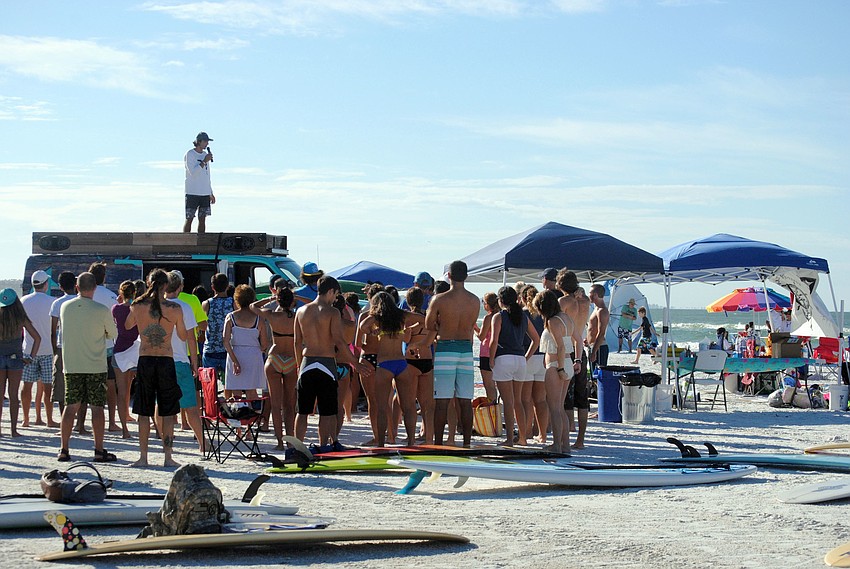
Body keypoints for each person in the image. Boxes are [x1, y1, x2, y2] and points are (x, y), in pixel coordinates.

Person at [294, 276, 370, 445]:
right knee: (327, 412)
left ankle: (297, 446)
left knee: (303, 410)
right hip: (326, 363)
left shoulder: (300, 311)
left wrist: (299, 365)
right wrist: (355, 364)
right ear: (330, 291)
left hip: (307, 362)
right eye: (335, 295)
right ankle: (323, 446)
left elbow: (297, 342)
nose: (335, 299)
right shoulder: (332, 312)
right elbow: (339, 342)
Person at [413, 261, 479, 447]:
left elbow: (428, 324)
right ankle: (466, 442)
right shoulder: (474, 300)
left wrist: (441, 325)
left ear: (449, 276)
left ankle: (440, 443)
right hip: (465, 349)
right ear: (466, 276)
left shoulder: (439, 299)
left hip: (445, 347)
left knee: (442, 400)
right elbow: (471, 323)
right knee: (465, 400)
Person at [125, 269, 188, 467]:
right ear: (165, 286)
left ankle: (143, 457)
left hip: (146, 359)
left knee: (144, 411)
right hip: (165, 360)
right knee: (168, 412)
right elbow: (184, 335)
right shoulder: (174, 308)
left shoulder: (137, 306)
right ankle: (167, 457)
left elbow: (127, 326)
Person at [57, 273, 117, 462]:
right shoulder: (102, 309)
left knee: (71, 406)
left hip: (72, 364)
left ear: (77, 287)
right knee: (97, 407)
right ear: (95, 288)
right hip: (96, 365)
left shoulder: (65, 307)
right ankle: (99, 450)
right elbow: (112, 334)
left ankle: (64, 449)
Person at [489, 286, 540, 447]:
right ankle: (523, 437)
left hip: (504, 358)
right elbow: (536, 340)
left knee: (508, 402)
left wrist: (491, 359)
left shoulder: (499, 317)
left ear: (501, 300)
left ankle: (510, 439)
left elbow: (494, 341)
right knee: (518, 401)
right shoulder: (523, 317)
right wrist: (526, 357)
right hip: (520, 359)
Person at [251, 287, 298, 449]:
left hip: (275, 358)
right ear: (292, 301)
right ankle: (290, 440)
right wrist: (297, 297)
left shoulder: (272, 315)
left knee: (276, 405)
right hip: (292, 359)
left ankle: (279, 442)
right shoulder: (298, 316)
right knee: (290, 405)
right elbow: (314, 303)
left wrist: (272, 299)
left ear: (279, 301)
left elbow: (253, 306)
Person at [164, 271, 204, 454]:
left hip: (161, 360)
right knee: (190, 406)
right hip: (180, 359)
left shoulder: (157, 305)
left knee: (162, 406)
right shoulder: (184, 307)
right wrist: (194, 362)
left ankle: (166, 445)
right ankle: (203, 444)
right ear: (180, 287)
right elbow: (191, 338)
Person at [533, 290, 573, 454]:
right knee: (560, 407)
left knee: (554, 408)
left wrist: (561, 368)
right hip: (566, 363)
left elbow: (560, 346)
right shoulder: (566, 318)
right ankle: (565, 445)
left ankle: (557, 445)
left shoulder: (553, 321)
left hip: (557, 364)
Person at [557, 269, 590, 450]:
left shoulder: (563, 301)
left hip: (566, 349)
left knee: (564, 398)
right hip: (580, 351)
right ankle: (580, 439)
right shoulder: (584, 302)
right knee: (581, 397)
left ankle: (566, 436)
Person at [1, 288, 40, 437]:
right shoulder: (20, 317)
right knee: (13, 396)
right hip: (15, 359)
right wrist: (30, 357)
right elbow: (37, 338)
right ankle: (13, 430)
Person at [21, 270, 57, 428]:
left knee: (27, 385)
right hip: (48, 350)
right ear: (46, 284)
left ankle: (26, 418)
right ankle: (48, 419)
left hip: (28, 349)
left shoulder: (23, 301)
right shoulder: (52, 302)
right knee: (47, 386)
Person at [223, 285, 270, 400]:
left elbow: (225, 341)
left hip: (235, 353)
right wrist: (261, 349)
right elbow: (264, 343)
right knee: (252, 391)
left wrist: (234, 360)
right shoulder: (259, 319)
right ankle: (253, 414)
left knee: (236, 392)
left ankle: (239, 415)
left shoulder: (230, 317)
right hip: (253, 354)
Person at [88, 262, 119, 433]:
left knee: (89, 385)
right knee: (110, 385)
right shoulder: (110, 296)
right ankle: (112, 422)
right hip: (107, 346)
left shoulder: (85, 295)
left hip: (88, 346)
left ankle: (83, 423)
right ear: (104, 277)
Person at [403, 287, 435, 444]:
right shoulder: (427, 317)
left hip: (412, 361)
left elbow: (406, 338)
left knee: (410, 403)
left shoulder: (408, 319)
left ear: (408, 302)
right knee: (427, 404)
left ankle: (411, 439)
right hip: (428, 360)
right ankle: (429, 437)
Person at [111, 280, 140, 438]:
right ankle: (156, 428)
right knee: (143, 390)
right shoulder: (137, 309)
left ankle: (124, 429)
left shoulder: (116, 309)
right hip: (135, 349)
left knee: (122, 392)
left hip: (120, 349)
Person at [49, 271, 77, 414]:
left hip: (62, 346)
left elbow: (53, 331)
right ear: (75, 285)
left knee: (60, 384)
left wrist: (55, 350)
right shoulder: (81, 301)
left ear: (60, 287)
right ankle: (80, 422)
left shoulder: (57, 303)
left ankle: (64, 418)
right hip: (79, 347)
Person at [183, 131, 215, 233]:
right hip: (192, 192)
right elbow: (193, 173)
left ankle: (201, 243)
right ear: (199, 141)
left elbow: (207, 176)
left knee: (202, 220)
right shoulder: (190, 154)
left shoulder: (205, 154)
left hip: (204, 193)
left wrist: (210, 192)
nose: (207, 144)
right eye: (205, 141)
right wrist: (204, 161)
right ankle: (185, 242)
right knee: (190, 218)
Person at [202, 273, 233, 379]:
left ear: (212, 287)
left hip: (210, 348)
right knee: (229, 383)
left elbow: (202, 324)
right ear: (227, 286)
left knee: (209, 386)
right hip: (228, 349)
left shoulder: (207, 304)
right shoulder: (233, 303)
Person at [475, 292, 499, 402]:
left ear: (487, 304)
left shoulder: (488, 317)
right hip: (498, 351)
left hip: (486, 352)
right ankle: (495, 405)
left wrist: (475, 328)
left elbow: (481, 336)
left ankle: (492, 407)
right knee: (496, 383)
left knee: (488, 384)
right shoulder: (500, 316)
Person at [587, 283, 610, 377]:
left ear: (595, 295)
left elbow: (601, 333)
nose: (589, 296)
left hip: (599, 347)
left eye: (590, 293)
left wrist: (594, 351)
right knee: (593, 375)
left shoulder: (602, 311)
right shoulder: (596, 309)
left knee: (599, 376)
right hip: (593, 346)